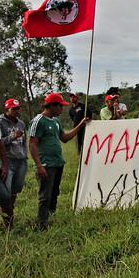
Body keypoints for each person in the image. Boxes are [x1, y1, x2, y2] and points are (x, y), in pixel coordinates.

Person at [29, 93, 88, 230]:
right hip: (46, 165)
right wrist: (39, 165)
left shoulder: (55, 121)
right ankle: (41, 224)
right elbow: (32, 144)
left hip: (58, 163)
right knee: (45, 196)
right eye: (60, 106)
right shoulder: (38, 121)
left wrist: (80, 125)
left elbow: (65, 138)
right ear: (52, 106)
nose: (62, 109)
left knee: (54, 192)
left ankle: (51, 215)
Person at [0, 99, 28, 226]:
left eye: (18, 108)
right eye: (14, 109)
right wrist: (12, 137)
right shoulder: (0, 123)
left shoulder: (21, 123)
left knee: (15, 190)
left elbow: (24, 141)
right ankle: (8, 223)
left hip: (21, 161)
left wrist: (25, 155)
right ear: (7, 109)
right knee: (6, 193)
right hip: (8, 161)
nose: (17, 111)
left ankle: (10, 214)